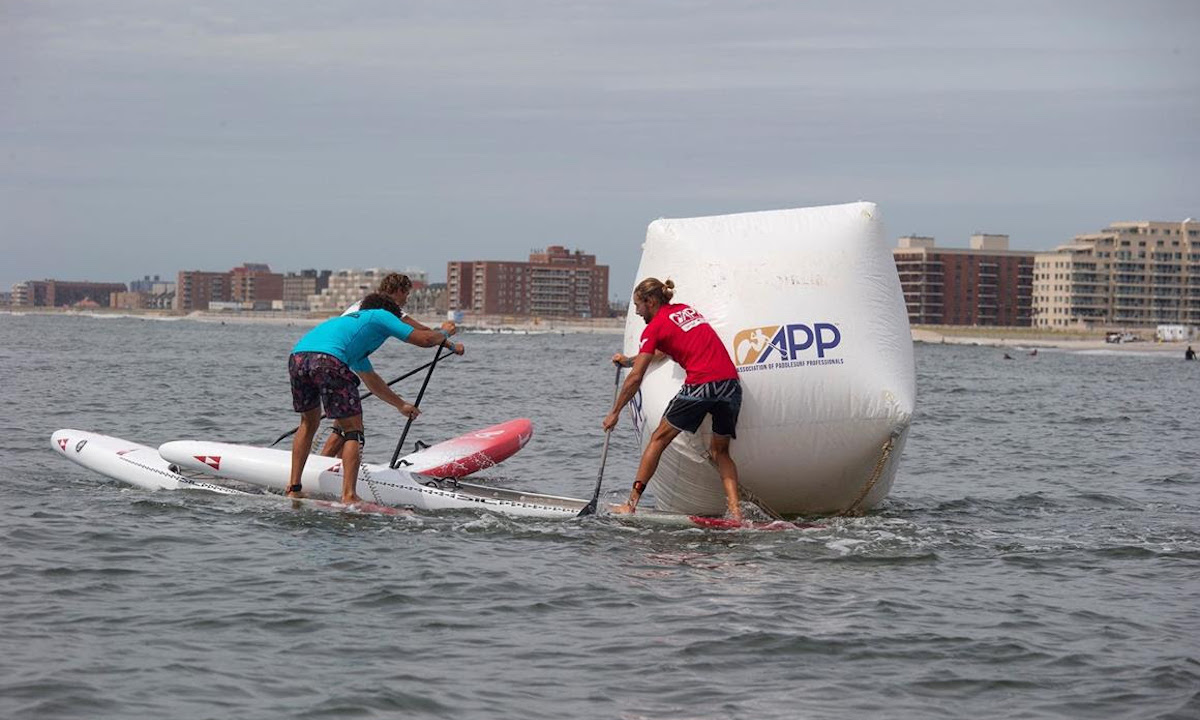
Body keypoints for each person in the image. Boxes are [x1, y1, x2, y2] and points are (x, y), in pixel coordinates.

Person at [286, 292, 465, 504]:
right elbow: (425, 339)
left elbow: (372, 381)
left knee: (308, 423)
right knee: (353, 431)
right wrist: (445, 334)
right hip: (327, 360)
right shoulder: (381, 314)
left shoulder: (351, 334)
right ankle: (349, 496)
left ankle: (294, 488)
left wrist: (401, 405)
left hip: (297, 358)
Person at [602, 278, 744, 522]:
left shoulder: (654, 328)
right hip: (730, 384)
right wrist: (628, 361)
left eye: (638, 305)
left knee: (657, 439)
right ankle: (736, 513)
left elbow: (636, 379)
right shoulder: (685, 311)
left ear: (651, 301)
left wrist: (614, 412)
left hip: (701, 385)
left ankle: (631, 505)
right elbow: (662, 351)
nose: (636, 311)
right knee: (721, 451)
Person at [322, 272, 456, 457]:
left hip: (342, 355)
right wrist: (451, 343)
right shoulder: (385, 309)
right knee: (350, 426)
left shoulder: (364, 303)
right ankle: (322, 470)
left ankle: (334, 469)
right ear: (398, 291)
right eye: (406, 294)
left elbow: (369, 373)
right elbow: (422, 332)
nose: (406, 300)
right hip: (338, 361)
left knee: (345, 424)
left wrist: (400, 404)